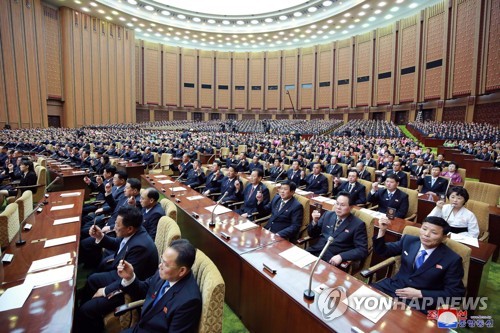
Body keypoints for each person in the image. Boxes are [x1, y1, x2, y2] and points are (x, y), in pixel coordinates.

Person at [75, 206, 159, 333]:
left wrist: (105, 290)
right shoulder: (134, 232)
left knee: (87, 311)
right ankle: (80, 310)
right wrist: (100, 236)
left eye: (117, 224)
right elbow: (118, 244)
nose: (114, 227)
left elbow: (127, 280)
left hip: (128, 290)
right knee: (92, 279)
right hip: (121, 276)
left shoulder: (140, 247)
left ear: (129, 228)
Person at [372, 216, 465, 312]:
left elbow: (456, 294)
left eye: (434, 233)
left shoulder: (452, 259)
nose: (426, 234)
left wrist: (420, 294)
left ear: (444, 237)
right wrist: (382, 231)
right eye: (424, 229)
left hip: (419, 302)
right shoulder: (409, 240)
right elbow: (383, 251)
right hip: (393, 287)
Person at [109, 239, 202, 333]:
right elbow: (144, 290)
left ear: (182, 271)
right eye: (162, 259)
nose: (160, 266)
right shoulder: (164, 273)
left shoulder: (189, 302)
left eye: (165, 264)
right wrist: (130, 277)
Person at [306, 192, 368, 267]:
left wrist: (341, 256)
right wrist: (314, 222)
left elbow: (362, 250)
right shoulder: (328, 214)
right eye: (337, 204)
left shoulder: (358, 224)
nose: (338, 207)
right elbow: (312, 234)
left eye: (342, 205)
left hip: (332, 259)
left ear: (351, 207)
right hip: (315, 251)